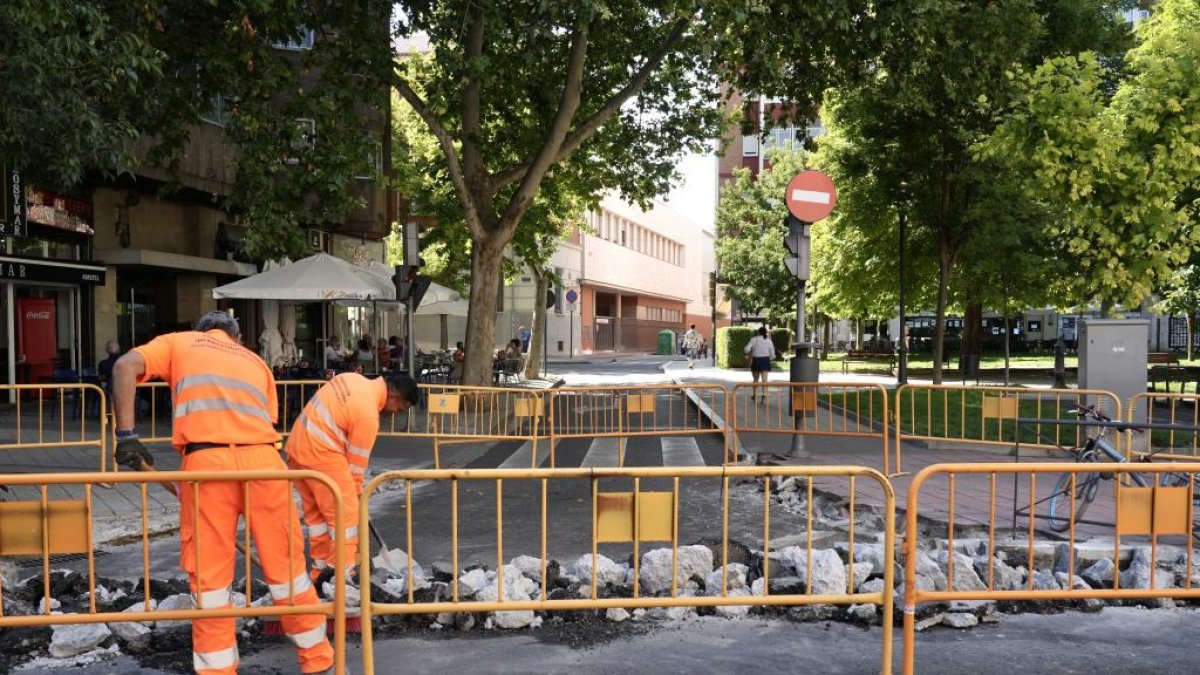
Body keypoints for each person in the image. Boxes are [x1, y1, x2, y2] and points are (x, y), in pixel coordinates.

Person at [110, 311, 333, 675]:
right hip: (264, 463)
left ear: (201, 331)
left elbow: (123, 367)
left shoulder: (180, 342)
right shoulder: (255, 361)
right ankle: (319, 662)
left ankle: (217, 670)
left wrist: (127, 436)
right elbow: (264, 422)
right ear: (237, 337)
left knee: (211, 583)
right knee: (290, 573)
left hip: (207, 468)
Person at [286, 373, 419, 595]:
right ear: (393, 395)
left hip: (298, 450)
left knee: (317, 518)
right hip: (322, 453)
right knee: (346, 518)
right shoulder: (367, 416)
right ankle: (342, 578)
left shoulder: (352, 379)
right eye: (400, 408)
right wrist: (357, 500)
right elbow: (355, 470)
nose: (395, 413)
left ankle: (319, 574)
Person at [744, 326, 778, 402]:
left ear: (758, 332)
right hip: (765, 360)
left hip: (756, 360)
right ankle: (764, 395)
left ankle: (755, 395)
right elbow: (772, 354)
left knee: (755, 379)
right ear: (765, 333)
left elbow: (746, 350)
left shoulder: (753, 339)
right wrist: (769, 359)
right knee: (765, 380)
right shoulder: (769, 341)